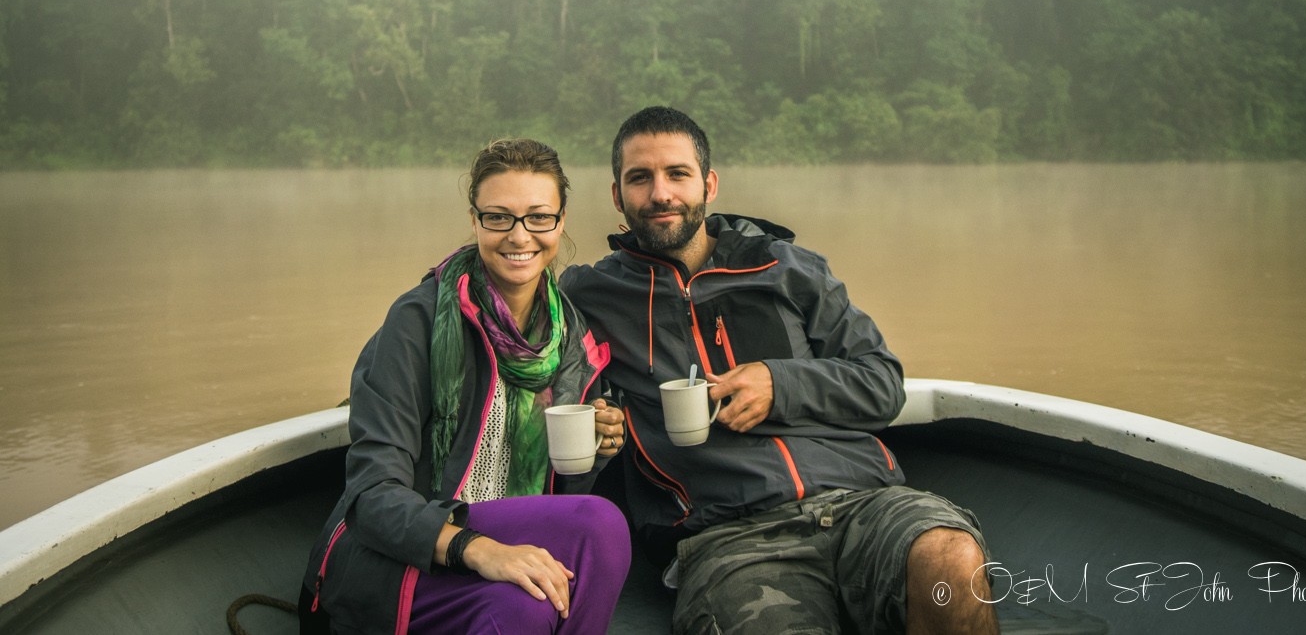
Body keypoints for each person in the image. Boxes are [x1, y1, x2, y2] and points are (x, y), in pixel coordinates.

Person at [560, 107, 999, 635]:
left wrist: (781, 383)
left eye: (678, 174)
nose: (661, 194)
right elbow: (508, 309)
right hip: (728, 539)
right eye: (640, 178)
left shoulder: (788, 267)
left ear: (709, 184)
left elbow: (882, 383)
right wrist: (601, 417)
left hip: (863, 503)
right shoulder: (591, 295)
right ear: (617, 196)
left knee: (949, 554)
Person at [300, 138, 630, 635]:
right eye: (499, 217)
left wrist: (596, 450)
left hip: (504, 534)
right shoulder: (418, 321)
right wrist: (480, 551)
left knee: (541, 592)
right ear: (475, 220)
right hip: (401, 558)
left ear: (561, 223)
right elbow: (371, 498)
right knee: (595, 529)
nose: (520, 236)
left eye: (539, 217)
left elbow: (559, 493)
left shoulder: (571, 339)